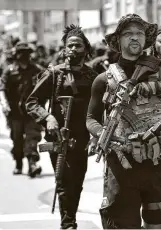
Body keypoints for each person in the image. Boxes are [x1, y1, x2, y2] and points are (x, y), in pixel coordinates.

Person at [86, 14, 161, 229]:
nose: (135, 38)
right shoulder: (104, 79)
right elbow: (90, 118)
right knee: (122, 223)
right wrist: (103, 133)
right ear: (118, 41)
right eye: (128, 34)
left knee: (159, 223)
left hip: (158, 162)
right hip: (121, 163)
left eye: (139, 34)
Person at [26, 25, 98, 229]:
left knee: (77, 182)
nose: (73, 49)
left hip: (83, 137)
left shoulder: (93, 76)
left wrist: (96, 133)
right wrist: (48, 117)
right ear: (64, 49)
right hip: (59, 136)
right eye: (69, 46)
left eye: (77, 45)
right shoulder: (54, 74)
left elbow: (101, 106)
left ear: (86, 48)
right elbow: (32, 102)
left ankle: (70, 218)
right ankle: (68, 224)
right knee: (65, 183)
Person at [0, 42, 44, 177]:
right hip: (15, 112)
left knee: (32, 137)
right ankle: (18, 163)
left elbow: (46, 88)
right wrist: (5, 104)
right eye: (21, 53)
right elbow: (2, 89)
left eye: (26, 53)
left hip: (32, 111)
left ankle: (32, 164)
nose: (23, 56)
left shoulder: (37, 70)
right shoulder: (10, 71)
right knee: (17, 138)